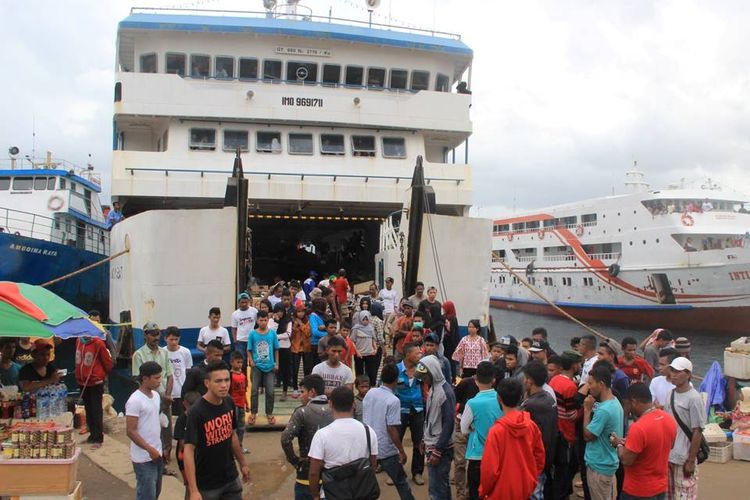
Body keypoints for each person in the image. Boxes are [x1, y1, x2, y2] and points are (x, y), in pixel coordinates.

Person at [183, 361, 250, 500]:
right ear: (207, 383)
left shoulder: (229, 402)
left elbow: (232, 435)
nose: (224, 385)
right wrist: (194, 490)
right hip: (207, 485)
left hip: (231, 478)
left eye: (227, 380)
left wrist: (242, 463)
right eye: (218, 381)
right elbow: (188, 451)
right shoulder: (197, 412)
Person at [308, 386, 379, 500]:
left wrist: (315, 495)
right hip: (362, 492)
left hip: (333, 493)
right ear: (354, 404)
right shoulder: (369, 431)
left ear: (330, 404)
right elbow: (373, 464)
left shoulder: (322, 435)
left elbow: (313, 473)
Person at [480, 378, 545, 500]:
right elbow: (539, 457)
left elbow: (489, 470)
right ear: (521, 396)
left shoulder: (496, 431)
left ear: (499, 398)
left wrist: (484, 491)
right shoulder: (531, 426)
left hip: (499, 492)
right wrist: (530, 479)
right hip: (524, 489)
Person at [610, 383, 677, 500]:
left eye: (629, 404)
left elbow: (626, 460)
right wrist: (631, 442)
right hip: (660, 487)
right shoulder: (668, 419)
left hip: (638, 490)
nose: (629, 408)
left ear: (635, 402)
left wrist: (619, 444)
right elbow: (669, 445)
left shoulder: (638, 427)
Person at [363, 363, 416, 500]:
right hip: (385, 448)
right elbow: (391, 428)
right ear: (396, 379)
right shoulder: (393, 400)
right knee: (401, 481)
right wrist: (401, 450)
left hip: (367, 444)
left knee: (365, 483)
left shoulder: (370, 392)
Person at [281, 374, 334, 500]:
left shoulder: (302, 412)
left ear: (312, 392)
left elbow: (285, 439)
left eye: (302, 391)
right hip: (332, 475)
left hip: (307, 475)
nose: (300, 395)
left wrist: (295, 461)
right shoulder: (335, 410)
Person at [132, 323, 175, 468]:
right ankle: (153, 457)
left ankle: (166, 455)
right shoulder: (139, 355)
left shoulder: (164, 353)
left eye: (157, 334)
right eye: (152, 334)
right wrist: (153, 397)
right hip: (148, 397)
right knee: (151, 427)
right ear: (145, 335)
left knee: (167, 428)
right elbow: (138, 380)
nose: (155, 337)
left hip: (163, 395)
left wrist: (167, 396)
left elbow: (170, 376)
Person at [415, 355, 456, 500]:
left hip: (441, 448)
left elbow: (449, 423)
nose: (424, 380)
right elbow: (431, 418)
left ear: (433, 372)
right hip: (433, 443)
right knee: (441, 486)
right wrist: (424, 439)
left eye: (425, 376)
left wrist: (437, 451)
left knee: (436, 489)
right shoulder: (434, 389)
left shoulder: (445, 392)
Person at [664, 357, 705, 500]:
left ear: (688, 374)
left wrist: (691, 460)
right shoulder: (671, 394)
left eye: (678, 371)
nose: (673, 374)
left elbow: (697, 430)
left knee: (684, 494)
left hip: (683, 455)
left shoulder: (694, 398)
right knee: (669, 495)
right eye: (672, 370)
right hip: (668, 454)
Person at [126, 361, 167, 500]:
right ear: (144, 379)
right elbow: (131, 431)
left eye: (160, 377)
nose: (159, 381)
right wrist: (149, 449)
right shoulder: (134, 401)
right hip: (143, 457)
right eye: (156, 378)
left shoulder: (155, 396)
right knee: (146, 494)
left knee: (156, 493)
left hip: (157, 452)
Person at [461, 361, 501, 500]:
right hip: (498, 455)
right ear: (494, 380)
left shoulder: (472, 403)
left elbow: (464, 429)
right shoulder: (501, 399)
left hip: (478, 455)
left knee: (475, 492)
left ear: (476, 380)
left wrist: (473, 427)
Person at [583, 364, 624, 500]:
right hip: (608, 463)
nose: (588, 387)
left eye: (590, 383)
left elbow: (588, 435)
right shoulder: (615, 402)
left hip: (599, 466)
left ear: (601, 384)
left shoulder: (604, 410)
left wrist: (587, 410)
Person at [521, 361, 558, 499]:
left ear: (530, 381)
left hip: (534, 461)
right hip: (546, 458)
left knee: (534, 494)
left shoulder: (531, 405)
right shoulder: (548, 398)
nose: (523, 381)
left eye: (525, 378)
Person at [549, 350, 583, 500]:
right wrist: (585, 408)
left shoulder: (554, 380)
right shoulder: (570, 387)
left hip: (556, 430)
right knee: (565, 471)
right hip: (567, 434)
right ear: (574, 365)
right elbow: (571, 415)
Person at [75, 330, 113, 447]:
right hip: (82, 381)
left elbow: (107, 363)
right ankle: (92, 435)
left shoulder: (98, 343)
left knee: (96, 410)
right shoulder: (79, 341)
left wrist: (99, 375)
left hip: (95, 381)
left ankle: (98, 438)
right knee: (88, 408)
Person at [396, 343, 425, 486]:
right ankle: (396, 472)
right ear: (407, 355)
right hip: (400, 411)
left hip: (418, 410)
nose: (420, 356)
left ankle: (417, 472)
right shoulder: (395, 370)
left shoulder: (422, 370)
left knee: (419, 442)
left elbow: (427, 388)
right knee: (396, 441)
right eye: (417, 353)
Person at [247, 310, 279, 425]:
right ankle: (253, 413)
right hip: (257, 366)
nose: (263, 322)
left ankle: (269, 413)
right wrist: (251, 361)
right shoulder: (252, 334)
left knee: (270, 391)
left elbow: (276, 349)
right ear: (257, 320)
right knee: (254, 390)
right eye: (261, 320)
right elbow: (249, 350)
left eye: (265, 320)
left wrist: (276, 363)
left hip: (270, 367)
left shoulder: (272, 334)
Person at [174, 391, 201, 499]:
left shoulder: (199, 417)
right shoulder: (182, 420)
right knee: (190, 486)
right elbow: (182, 443)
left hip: (198, 457)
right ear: (185, 404)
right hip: (184, 458)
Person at [165, 327, 193, 417]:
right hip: (167, 394)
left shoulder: (185, 352)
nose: (174, 342)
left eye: (176, 339)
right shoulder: (162, 352)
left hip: (181, 392)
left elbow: (189, 371)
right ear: (166, 339)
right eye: (171, 339)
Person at [290, 302, 314, 396]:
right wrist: (295, 327)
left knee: (306, 369)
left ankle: (305, 388)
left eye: (302, 311)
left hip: (306, 347)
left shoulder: (307, 321)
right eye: (299, 311)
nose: (301, 314)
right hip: (295, 347)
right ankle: (295, 388)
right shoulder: (292, 321)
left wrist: (301, 325)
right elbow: (291, 335)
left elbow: (308, 333)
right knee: (295, 369)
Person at [351, 310, 379, 385]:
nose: (365, 321)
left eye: (367, 319)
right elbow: (352, 341)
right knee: (359, 371)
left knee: (370, 371)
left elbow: (373, 339)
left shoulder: (371, 328)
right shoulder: (355, 329)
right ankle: (359, 386)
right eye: (363, 319)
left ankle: (370, 386)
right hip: (359, 353)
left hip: (369, 353)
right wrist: (357, 352)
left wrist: (375, 349)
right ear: (360, 319)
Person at [229, 351, 249, 453]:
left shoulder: (243, 376)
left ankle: (239, 446)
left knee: (241, 427)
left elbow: (244, 390)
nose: (240, 364)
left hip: (241, 405)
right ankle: (232, 447)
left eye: (241, 362)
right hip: (234, 405)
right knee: (233, 428)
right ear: (232, 362)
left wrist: (247, 403)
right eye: (238, 362)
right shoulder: (230, 376)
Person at [273, 303, 293, 401]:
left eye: (281, 311)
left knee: (285, 370)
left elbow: (288, 334)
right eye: (277, 311)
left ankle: (284, 392)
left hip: (285, 347)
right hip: (275, 348)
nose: (279, 314)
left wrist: (276, 337)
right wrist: (276, 322)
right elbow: (270, 331)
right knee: (275, 369)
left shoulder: (288, 320)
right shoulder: (272, 320)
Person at [231, 292, 257, 361]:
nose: (244, 304)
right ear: (239, 302)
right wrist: (235, 340)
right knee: (241, 360)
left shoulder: (254, 311)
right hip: (240, 341)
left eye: (246, 302)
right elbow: (234, 328)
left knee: (253, 360)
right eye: (242, 302)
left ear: (248, 301)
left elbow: (258, 323)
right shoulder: (235, 314)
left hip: (252, 339)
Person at [441, 300, 459, 380]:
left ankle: (452, 377)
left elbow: (452, 331)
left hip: (449, 343)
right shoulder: (450, 317)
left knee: (450, 361)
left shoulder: (451, 319)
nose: (444, 310)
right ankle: (451, 377)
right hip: (449, 343)